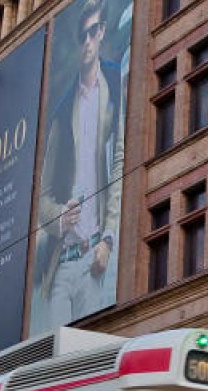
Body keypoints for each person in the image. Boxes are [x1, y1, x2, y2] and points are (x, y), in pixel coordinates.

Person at [33, 0, 126, 331]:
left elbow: (120, 164)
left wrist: (109, 239)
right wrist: (59, 216)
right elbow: (41, 199)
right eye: (81, 36)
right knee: (57, 364)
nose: (87, 42)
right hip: (62, 266)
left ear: (101, 32)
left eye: (92, 33)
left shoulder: (117, 84)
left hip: (94, 259)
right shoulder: (60, 113)